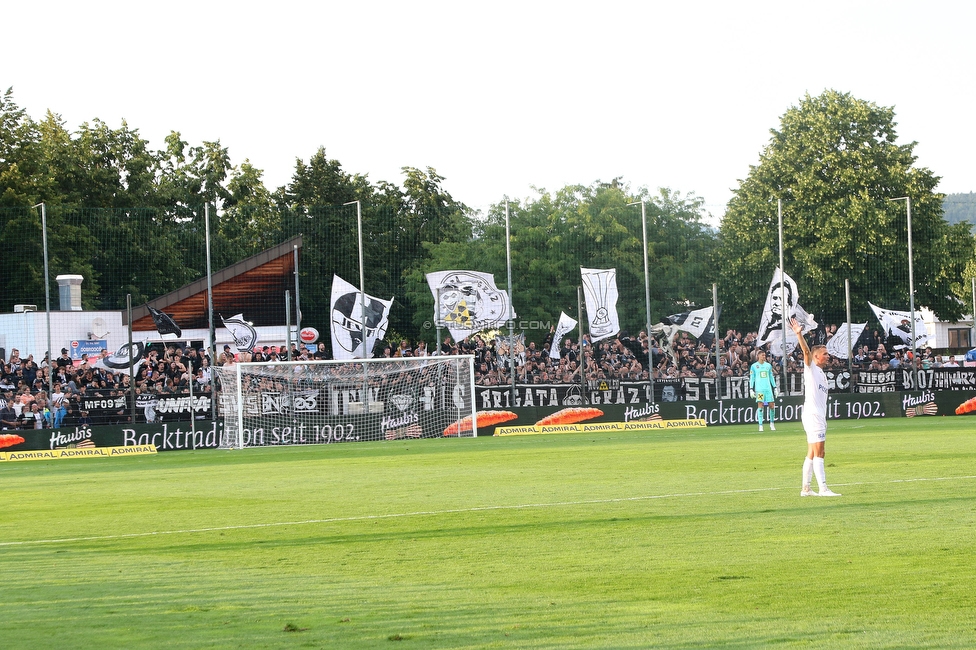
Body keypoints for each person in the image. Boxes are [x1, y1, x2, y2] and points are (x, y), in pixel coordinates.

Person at [791, 317, 840, 497]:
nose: (828, 356)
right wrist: (799, 333)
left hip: (816, 415)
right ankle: (824, 489)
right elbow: (805, 351)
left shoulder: (821, 373)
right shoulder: (811, 367)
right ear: (816, 356)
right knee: (820, 452)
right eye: (825, 353)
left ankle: (806, 488)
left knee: (812, 452)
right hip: (813, 415)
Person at [749, 349, 777, 431]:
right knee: (760, 406)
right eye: (762, 355)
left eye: (764, 355)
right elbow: (752, 378)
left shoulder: (768, 366)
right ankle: (760, 425)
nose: (764, 357)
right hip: (760, 390)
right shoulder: (754, 366)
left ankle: (772, 423)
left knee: (772, 406)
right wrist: (751, 389)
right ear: (758, 356)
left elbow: (771, 377)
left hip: (768, 389)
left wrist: (775, 388)